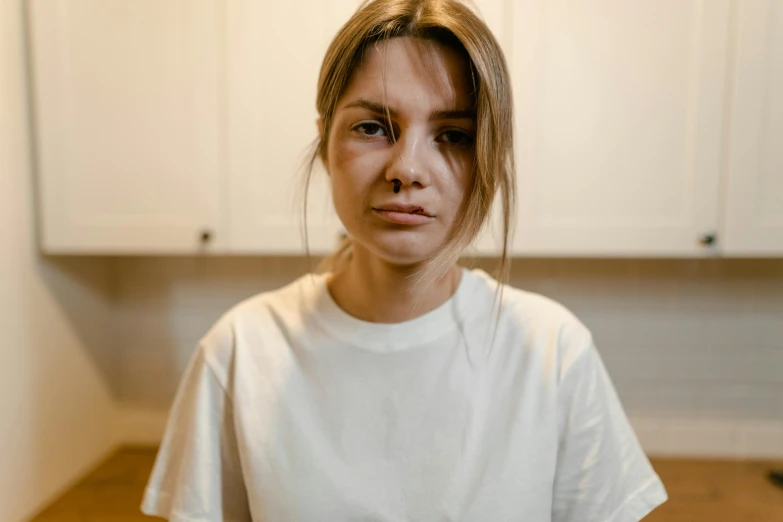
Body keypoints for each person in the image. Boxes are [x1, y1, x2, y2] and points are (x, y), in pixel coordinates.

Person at [141, 0, 668, 520]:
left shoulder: (552, 352)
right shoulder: (240, 353)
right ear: (326, 141)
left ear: (489, 156)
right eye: (373, 127)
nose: (407, 169)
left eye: (454, 136)